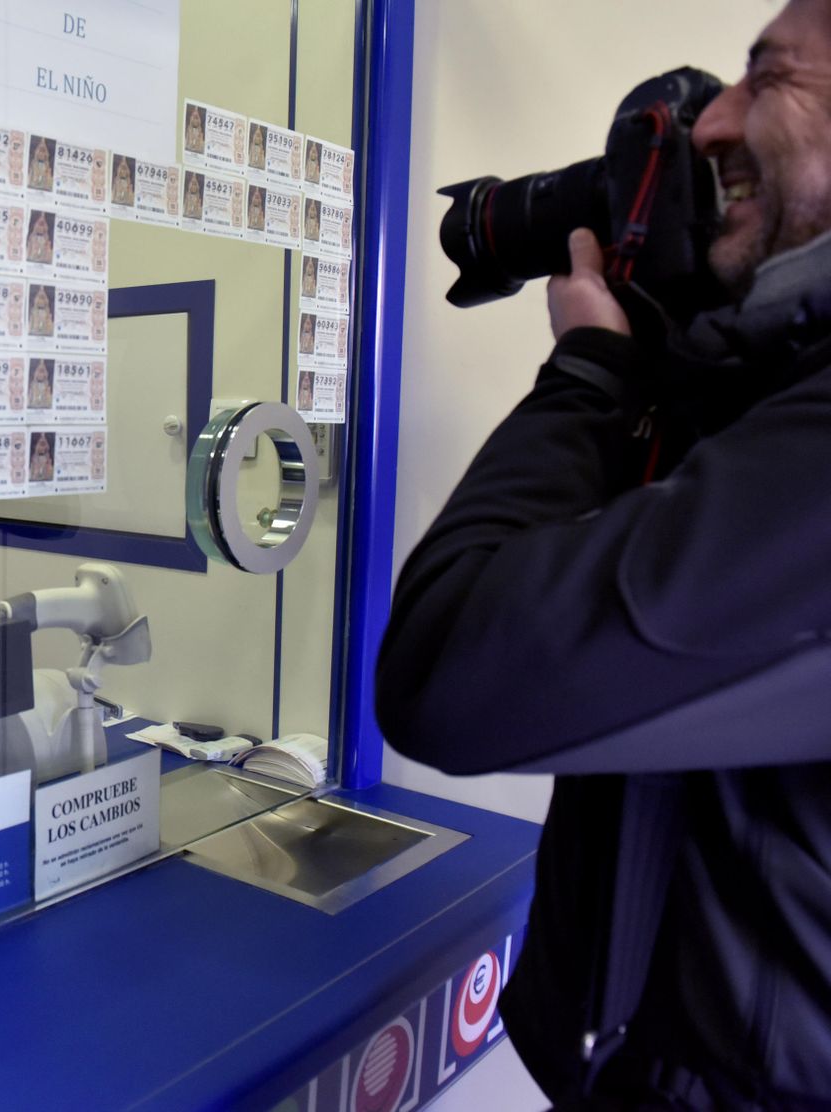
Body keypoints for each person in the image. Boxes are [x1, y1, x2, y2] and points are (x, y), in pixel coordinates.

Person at [376, 3, 831, 1103]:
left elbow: (445, 666)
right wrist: (695, 331)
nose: (711, 123)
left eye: (769, 77)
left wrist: (588, 368)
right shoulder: (784, 390)